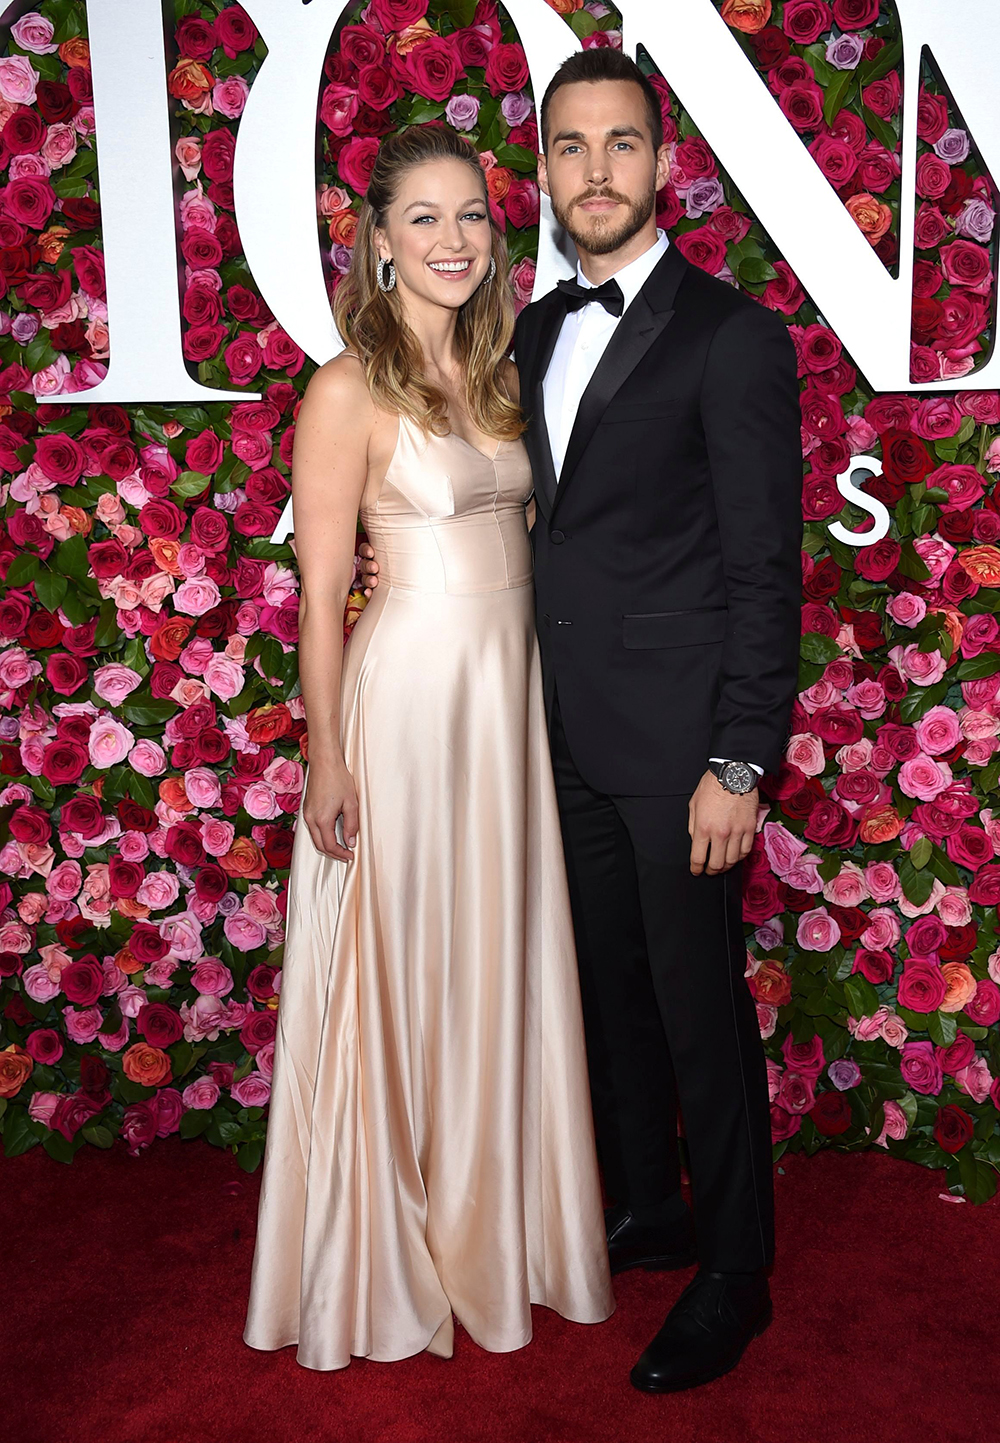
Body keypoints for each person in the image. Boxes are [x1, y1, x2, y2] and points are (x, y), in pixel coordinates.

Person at [362, 48, 804, 1394]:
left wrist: (739, 757)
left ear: (664, 165)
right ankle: (651, 1207)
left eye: (621, 145)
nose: (596, 171)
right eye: (569, 147)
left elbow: (761, 568)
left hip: (680, 756)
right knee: (604, 999)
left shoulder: (735, 338)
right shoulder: (532, 331)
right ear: (542, 170)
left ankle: (735, 1268)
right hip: (548, 737)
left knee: (694, 1011)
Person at [242, 124, 614, 1372]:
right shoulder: (344, 388)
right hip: (405, 710)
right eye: (424, 220)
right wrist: (328, 759)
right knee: (407, 965)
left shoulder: (509, 374)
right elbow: (319, 591)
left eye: (472, 217)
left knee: (496, 958)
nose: (453, 239)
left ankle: (497, 1222)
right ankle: (391, 1243)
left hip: (509, 705)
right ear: (381, 245)